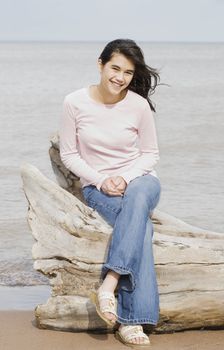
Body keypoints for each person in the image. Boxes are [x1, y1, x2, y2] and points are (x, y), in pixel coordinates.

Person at [59, 38, 161, 347]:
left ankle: (109, 285)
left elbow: (150, 154)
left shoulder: (138, 105)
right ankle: (132, 321)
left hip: (141, 181)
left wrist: (126, 177)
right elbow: (69, 155)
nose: (120, 77)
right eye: (115, 68)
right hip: (98, 188)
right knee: (140, 226)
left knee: (139, 198)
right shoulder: (74, 102)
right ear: (100, 64)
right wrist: (102, 180)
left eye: (128, 72)